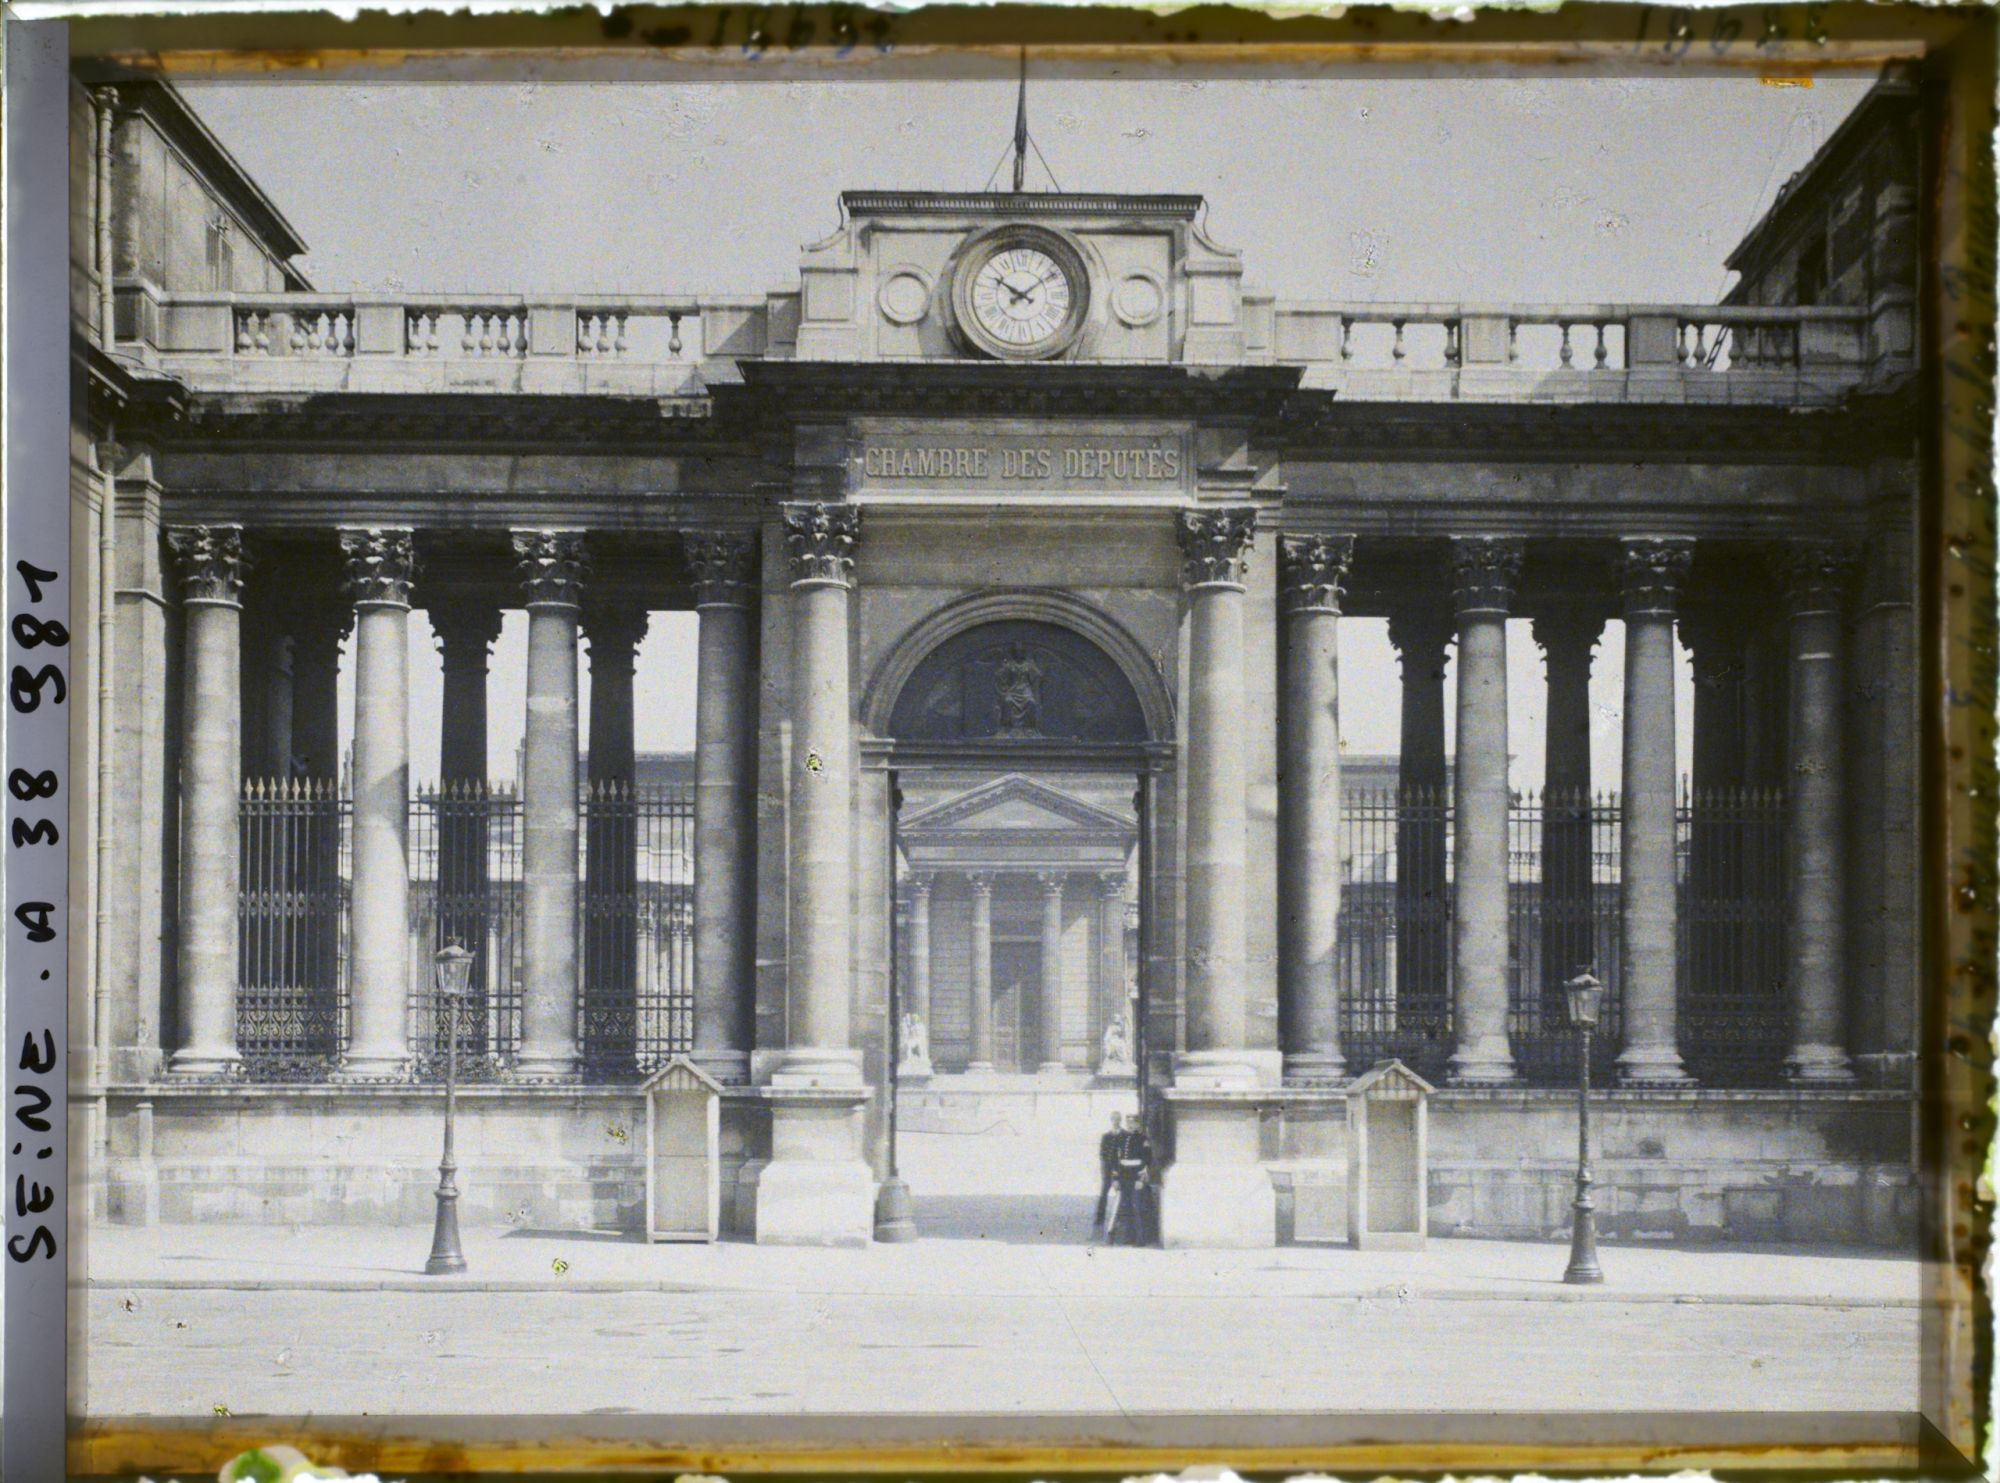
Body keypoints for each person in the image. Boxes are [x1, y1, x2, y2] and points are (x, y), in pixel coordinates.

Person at [1108, 1112, 1154, 1247]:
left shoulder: (1143, 1139)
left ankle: (1140, 1239)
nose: (1130, 1125)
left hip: (1136, 1178)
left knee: (1137, 1207)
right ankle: (1129, 1237)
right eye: (1128, 1123)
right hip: (1123, 1177)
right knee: (1125, 1207)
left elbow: (1147, 1161)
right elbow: (1115, 1160)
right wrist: (1115, 1178)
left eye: (1133, 1123)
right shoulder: (1121, 1138)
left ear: (1138, 1124)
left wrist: (1141, 1179)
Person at [1092, 1111, 1123, 1233]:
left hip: (1121, 1169)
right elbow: (1102, 1153)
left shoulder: (1125, 1135)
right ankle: (1100, 1219)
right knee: (1103, 1193)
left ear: (1120, 1120)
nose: (1115, 1121)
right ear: (1111, 1120)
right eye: (1114, 1119)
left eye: (1117, 1119)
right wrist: (1105, 1167)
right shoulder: (1106, 1136)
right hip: (1108, 1169)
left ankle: (1120, 1219)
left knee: (1121, 1194)